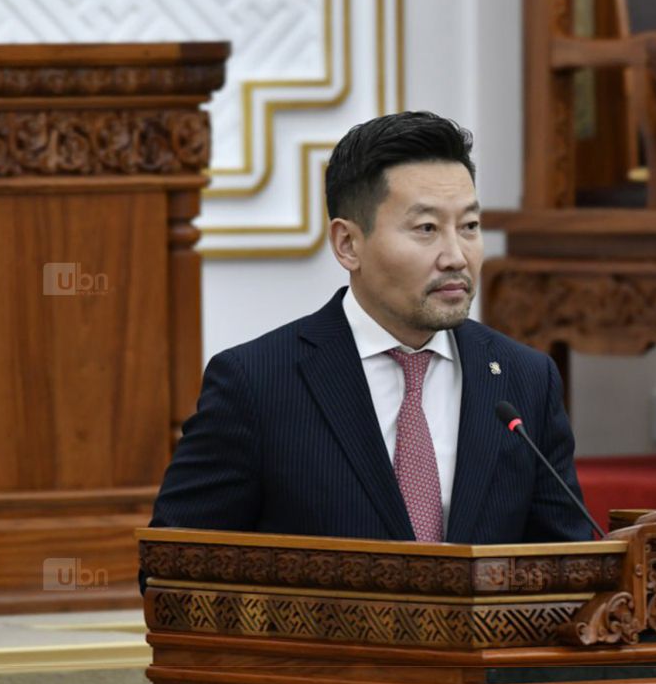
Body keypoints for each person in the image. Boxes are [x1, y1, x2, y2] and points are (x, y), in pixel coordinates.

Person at [148, 110, 591, 556]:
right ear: (348, 244)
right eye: (427, 229)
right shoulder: (257, 383)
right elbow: (174, 563)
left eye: (469, 227)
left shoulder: (525, 379)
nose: (456, 256)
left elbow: (568, 565)